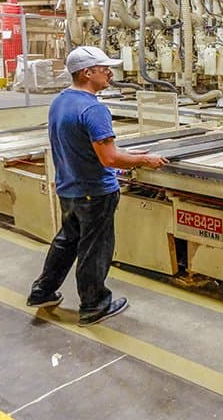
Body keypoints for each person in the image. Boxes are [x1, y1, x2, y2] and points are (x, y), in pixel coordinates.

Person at [27, 46, 168, 326]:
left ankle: (42, 291)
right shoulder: (93, 109)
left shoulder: (60, 101)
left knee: (66, 241)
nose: (109, 73)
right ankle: (94, 305)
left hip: (68, 188)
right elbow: (110, 158)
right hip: (94, 192)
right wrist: (144, 159)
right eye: (104, 69)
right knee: (95, 249)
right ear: (87, 72)